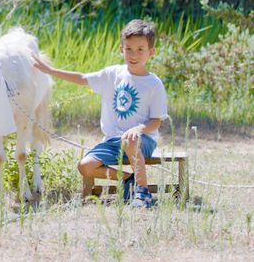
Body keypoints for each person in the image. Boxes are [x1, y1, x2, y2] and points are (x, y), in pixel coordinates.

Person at [32, 19, 168, 208]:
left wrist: (138, 129)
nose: (133, 54)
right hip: (113, 141)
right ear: (121, 49)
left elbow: (156, 121)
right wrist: (49, 70)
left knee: (130, 139)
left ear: (151, 52)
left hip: (142, 141)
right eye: (128, 49)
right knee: (85, 166)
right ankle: (129, 180)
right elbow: (82, 78)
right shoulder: (112, 74)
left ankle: (143, 194)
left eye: (140, 49)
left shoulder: (153, 84)